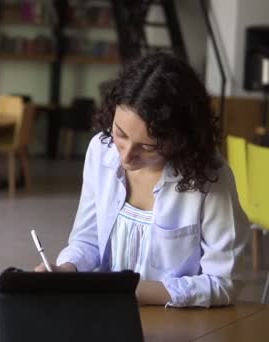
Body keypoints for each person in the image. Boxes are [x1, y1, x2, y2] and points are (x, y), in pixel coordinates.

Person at [36, 53, 249, 307]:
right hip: (104, 312)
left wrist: (132, 291)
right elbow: (88, 239)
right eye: (120, 133)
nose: (126, 156)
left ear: (181, 139)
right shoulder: (101, 150)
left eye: (148, 147)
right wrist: (67, 269)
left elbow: (225, 281)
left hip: (177, 322)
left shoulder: (209, 177)